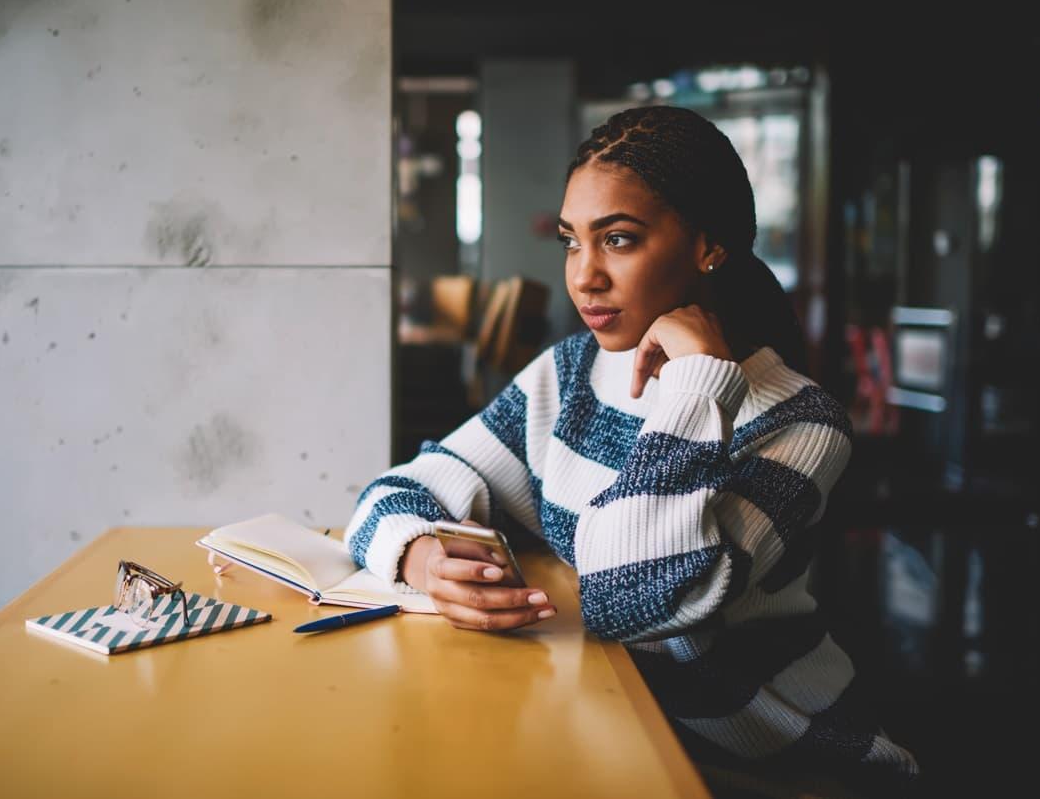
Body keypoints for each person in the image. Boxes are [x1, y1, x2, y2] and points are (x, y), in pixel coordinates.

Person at [343, 106, 919, 797]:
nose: (584, 276)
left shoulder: (802, 422)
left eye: (617, 239)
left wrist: (697, 380)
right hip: (598, 722)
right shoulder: (567, 374)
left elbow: (630, 600)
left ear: (708, 245)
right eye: (570, 241)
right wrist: (423, 557)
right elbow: (395, 492)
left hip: (769, 760)